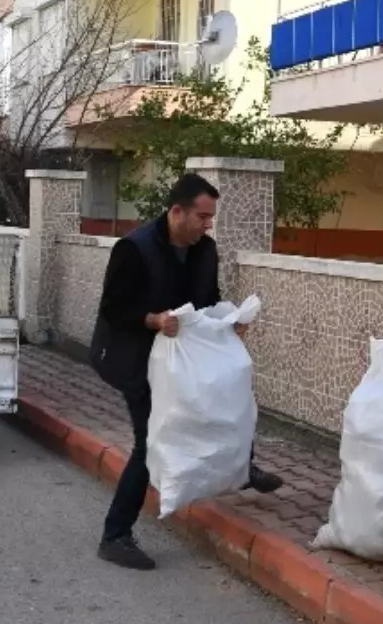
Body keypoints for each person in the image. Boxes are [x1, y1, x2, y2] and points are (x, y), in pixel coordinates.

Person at [89, 173, 284, 571]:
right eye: (202, 216)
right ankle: (115, 535)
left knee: (227, 392)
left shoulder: (204, 250)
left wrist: (228, 320)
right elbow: (113, 308)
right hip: (132, 356)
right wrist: (152, 319)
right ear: (177, 212)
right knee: (151, 440)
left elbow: (206, 301)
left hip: (179, 355)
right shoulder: (134, 248)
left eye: (210, 217)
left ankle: (242, 467)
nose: (207, 224)